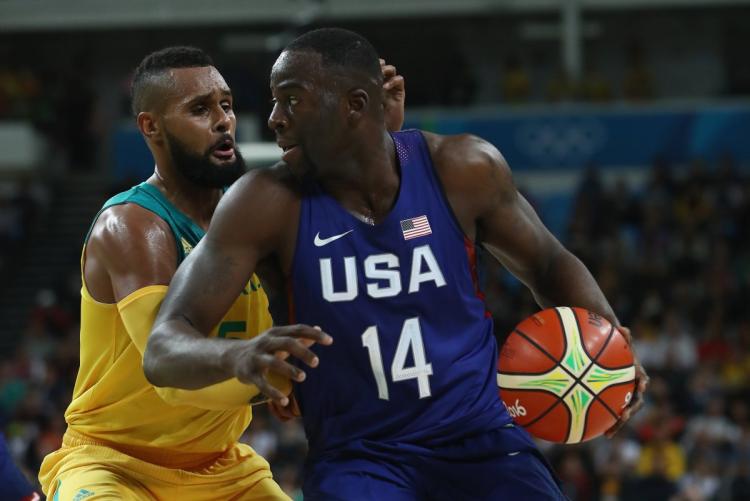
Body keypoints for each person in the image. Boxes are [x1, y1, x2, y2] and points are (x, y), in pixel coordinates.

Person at [147, 28, 648, 500]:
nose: (274, 118)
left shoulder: (463, 168)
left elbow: (547, 262)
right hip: (360, 458)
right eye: (276, 100)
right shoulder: (264, 202)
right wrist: (238, 357)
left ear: (355, 106)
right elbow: (164, 348)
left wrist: (609, 339)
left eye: (292, 99)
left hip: (481, 440)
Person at [38, 45, 405, 500]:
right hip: (114, 464)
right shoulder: (132, 225)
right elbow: (172, 380)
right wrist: (272, 376)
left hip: (222, 468)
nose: (222, 120)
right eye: (199, 109)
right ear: (151, 127)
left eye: (226, 105)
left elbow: (363, 250)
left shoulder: (251, 213)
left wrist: (373, 137)